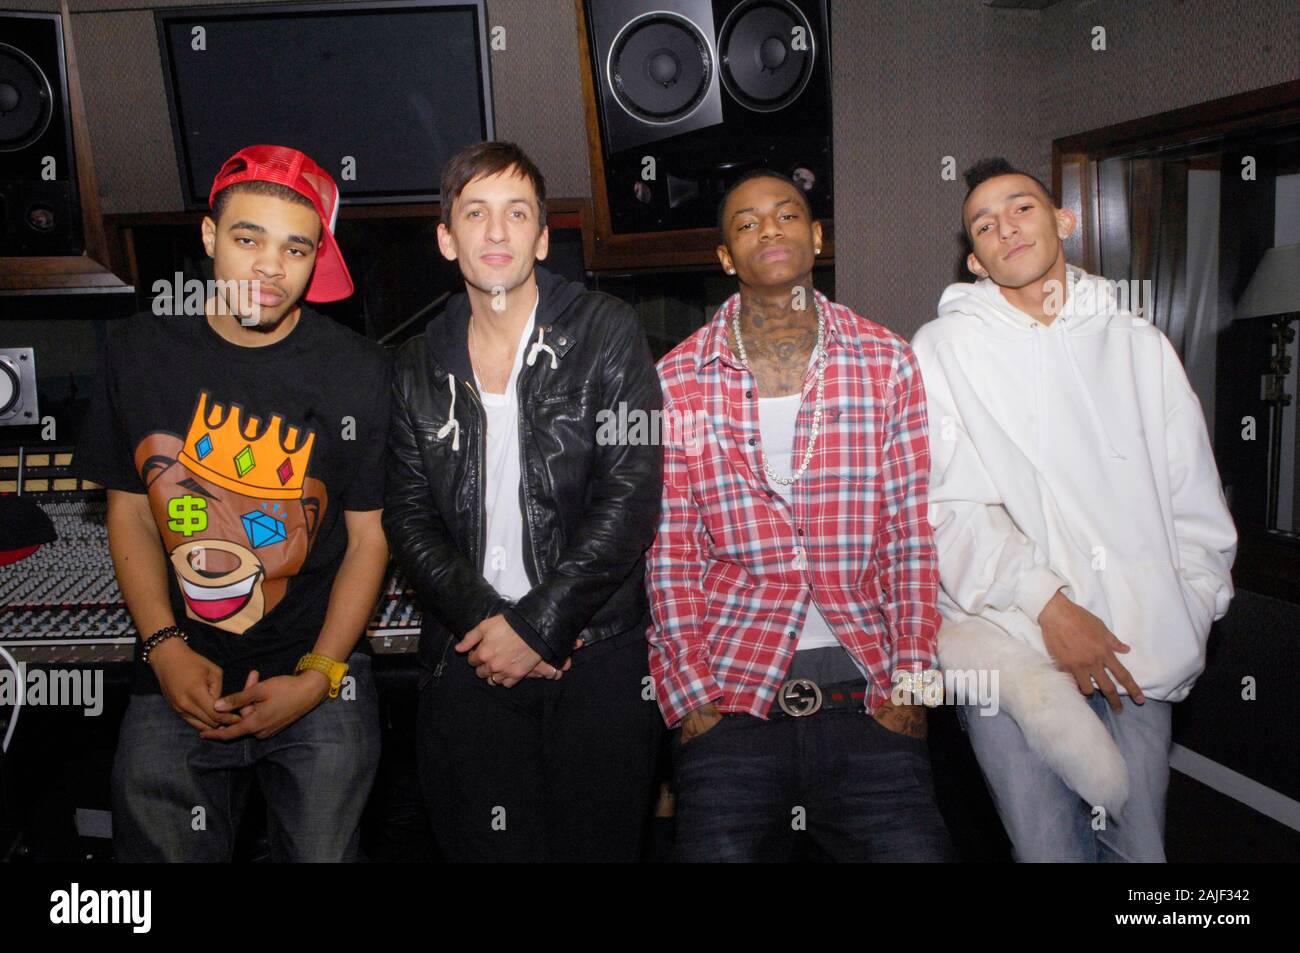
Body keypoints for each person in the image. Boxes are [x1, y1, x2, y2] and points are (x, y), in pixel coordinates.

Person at [911, 157, 1237, 862]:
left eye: (1022, 207)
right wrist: (1050, 606)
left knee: (1140, 851)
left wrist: (1186, 607)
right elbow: (945, 509)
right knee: (1048, 850)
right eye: (985, 223)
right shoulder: (944, 351)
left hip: (1136, 653)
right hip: (1013, 650)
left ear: (1064, 220)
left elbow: (1195, 502)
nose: (1007, 226)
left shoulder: (1139, 346)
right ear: (976, 259)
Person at [76, 144, 391, 862]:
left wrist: (318, 677)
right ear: (211, 237)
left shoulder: (361, 372)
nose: (270, 268)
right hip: (178, 666)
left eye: (296, 247)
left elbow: (369, 539)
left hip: (317, 665)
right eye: (249, 238)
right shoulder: (136, 351)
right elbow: (128, 510)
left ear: (317, 259)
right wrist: (164, 649)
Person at [647, 169, 953, 862]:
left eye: (786, 215)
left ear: (816, 237)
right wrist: (691, 700)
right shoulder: (677, 380)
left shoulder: (886, 361)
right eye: (746, 223)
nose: (769, 230)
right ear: (725, 256)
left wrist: (916, 686)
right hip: (732, 699)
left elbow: (911, 532)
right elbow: (670, 553)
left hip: (871, 692)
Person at [384, 141, 663, 862]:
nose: (497, 232)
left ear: (543, 236)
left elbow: (631, 497)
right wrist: (492, 625)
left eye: (517, 214)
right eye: (476, 213)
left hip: (596, 653)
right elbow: (407, 517)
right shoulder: (415, 361)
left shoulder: (607, 330)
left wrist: (539, 626)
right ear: (447, 238)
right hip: (470, 651)